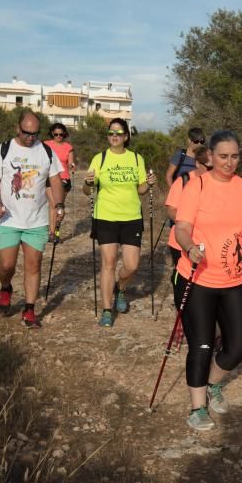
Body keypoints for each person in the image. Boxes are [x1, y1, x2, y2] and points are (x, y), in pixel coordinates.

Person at [173, 130, 242, 431]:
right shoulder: (196, 186)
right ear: (210, 156)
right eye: (223, 156)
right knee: (202, 344)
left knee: (238, 345)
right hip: (197, 278)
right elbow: (182, 227)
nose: (229, 162)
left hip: (233, 280)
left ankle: (212, 384)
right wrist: (189, 247)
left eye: (235, 156)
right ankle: (197, 407)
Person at [0, 112, 64, 328]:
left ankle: (29, 310)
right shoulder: (4, 149)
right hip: (8, 219)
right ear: (17, 129)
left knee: (33, 265)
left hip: (36, 220)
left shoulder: (46, 151)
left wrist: (59, 205)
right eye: (27, 133)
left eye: (35, 133)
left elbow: (55, 180)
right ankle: (6, 287)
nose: (31, 137)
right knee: (7, 265)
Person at [83, 117, 156, 328]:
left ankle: (120, 289)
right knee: (109, 262)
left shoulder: (136, 159)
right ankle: (107, 310)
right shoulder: (100, 158)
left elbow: (140, 189)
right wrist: (88, 183)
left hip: (132, 217)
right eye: (110, 132)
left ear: (126, 136)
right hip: (105, 216)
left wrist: (149, 184)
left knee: (132, 266)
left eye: (118, 133)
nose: (114, 136)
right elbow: (88, 190)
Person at [164, 147, 212, 269]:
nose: (213, 172)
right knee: (182, 281)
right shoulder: (183, 180)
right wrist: (190, 221)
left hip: (208, 243)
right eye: (209, 168)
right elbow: (171, 211)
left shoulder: (218, 184)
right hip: (181, 243)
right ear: (197, 163)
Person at [45, 123, 75, 240]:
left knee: (59, 207)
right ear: (52, 133)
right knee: (53, 204)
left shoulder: (68, 147)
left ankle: (57, 229)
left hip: (64, 179)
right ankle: (51, 233)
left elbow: (70, 162)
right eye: (56, 134)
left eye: (61, 134)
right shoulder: (46, 145)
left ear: (64, 134)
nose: (58, 136)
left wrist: (72, 165)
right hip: (50, 178)